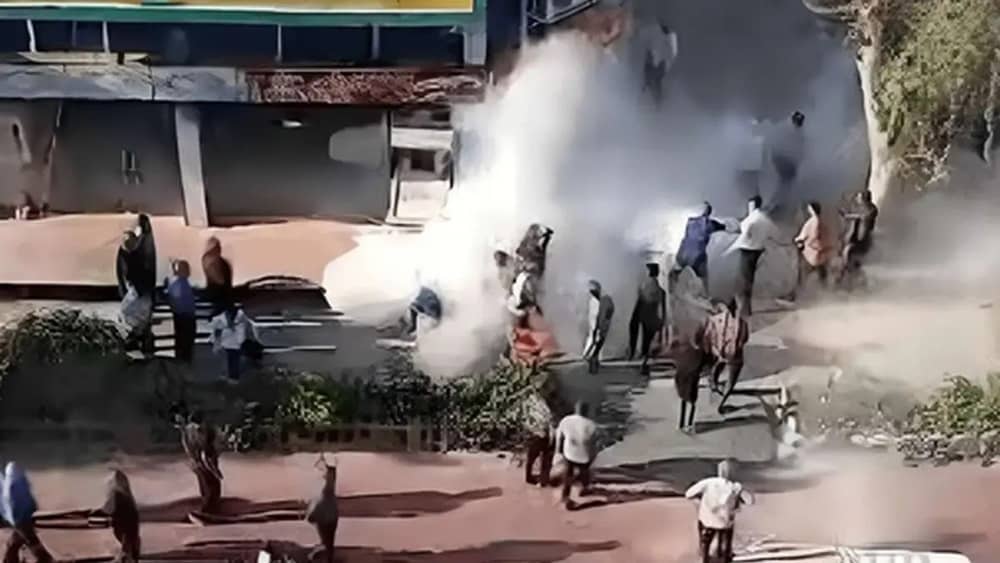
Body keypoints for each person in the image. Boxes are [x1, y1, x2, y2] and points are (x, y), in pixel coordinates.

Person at [685, 460, 754, 563]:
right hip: (725, 523)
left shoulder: (708, 482)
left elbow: (689, 494)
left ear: (719, 471)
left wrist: (699, 502)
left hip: (707, 520)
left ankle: (704, 552)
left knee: (704, 528)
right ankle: (726, 553)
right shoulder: (734, 487)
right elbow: (750, 501)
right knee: (727, 531)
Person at [697, 298, 750, 414]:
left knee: (718, 370)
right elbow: (745, 338)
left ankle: (714, 388)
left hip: (722, 352)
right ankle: (720, 402)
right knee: (730, 380)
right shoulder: (741, 322)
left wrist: (715, 347)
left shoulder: (717, 320)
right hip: (733, 354)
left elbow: (709, 335)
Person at [2, 462, 54, 563]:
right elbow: (29, 502)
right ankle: (44, 558)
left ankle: (10, 559)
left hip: (19, 517)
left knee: (19, 539)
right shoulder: (17, 485)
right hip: (20, 517)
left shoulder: (11, 486)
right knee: (27, 539)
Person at [729, 196, 773, 315]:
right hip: (757, 251)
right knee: (748, 280)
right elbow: (769, 233)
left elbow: (745, 234)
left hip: (747, 250)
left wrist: (731, 248)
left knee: (742, 280)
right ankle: (743, 307)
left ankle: (742, 310)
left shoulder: (752, 219)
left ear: (753, 205)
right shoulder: (764, 219)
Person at [671, 202, 727, 290]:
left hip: (683, 252)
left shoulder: (690, 221)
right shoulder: (709, 224)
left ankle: (671, 290)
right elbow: (724, 227)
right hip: (698, 255)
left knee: (675, 272)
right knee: (703, 277)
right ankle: (706, 295)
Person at [177, 412, 223, 515]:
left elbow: (218, 443)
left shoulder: (211, 429)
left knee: (213, 479)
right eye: (196, 424)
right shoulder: (189, 430)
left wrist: (212, 457)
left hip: (210, 453)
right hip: (197, 456)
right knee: (203, 479)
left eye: (200, 423)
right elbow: (187, 444)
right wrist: (194, 457)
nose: (198, 426)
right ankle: (207, 503)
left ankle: (214, 504)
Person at [555, 401, 598, 510]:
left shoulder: (566, 420)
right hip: (584, 455)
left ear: (575, 409)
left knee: (568, 476)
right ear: (587, 411)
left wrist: (558, 451)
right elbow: (593, 444)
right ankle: (584, 489)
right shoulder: (591, 425)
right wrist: (593, 456)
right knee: (584, 472)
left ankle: (565, 497)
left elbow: (559, 437)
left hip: (569, 453)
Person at [522, 373, 560, 487]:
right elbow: (550, 419)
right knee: (543, 457)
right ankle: (541, 478)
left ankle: (534, 478)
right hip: (541, 433)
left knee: (533, 457)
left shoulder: (529, 401)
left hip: (537, 432)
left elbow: (526, 417)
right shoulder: (542, 403)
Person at [628, 263, 667, 375]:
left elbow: (639, 304)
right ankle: (643, 362)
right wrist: (663, 320)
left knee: (642, 337)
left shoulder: (644, 287)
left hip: (643, 315)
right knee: (647, 340)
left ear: (649, 272)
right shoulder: (660, 290)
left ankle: (635, 355)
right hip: (652, 317)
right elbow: (663, 308)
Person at [837, 189, 879, 290]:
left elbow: (863, 217)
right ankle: (854, 284)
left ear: (864, 199)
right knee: (852, 262)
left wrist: (849, 216)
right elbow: (858, 218)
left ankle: (850, 284)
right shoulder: (863, 210)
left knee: (850, 260)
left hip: (863, 239)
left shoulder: (871, 210)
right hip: (859, 239)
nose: (857, 199)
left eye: (859, 197)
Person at [210, 301, 258, 382]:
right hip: (227, 341)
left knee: (233, 359)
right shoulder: (221, 318)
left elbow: (248, 327)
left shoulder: (240, 315)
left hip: (235, 341)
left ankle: (231, 377)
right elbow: (217, 331)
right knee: (229, 359)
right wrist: (217, 343)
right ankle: (229, 376)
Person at [792, 201, 833, 295]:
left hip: (810, 253)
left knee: (802, 275)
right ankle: (826, 293)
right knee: (821, 274)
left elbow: (812, 235)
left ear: (812, 209)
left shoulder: (813, 221)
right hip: (820, 252)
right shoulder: (821, 221)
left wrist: (800, 240)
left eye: (809, 208)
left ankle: (796, 295)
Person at [101, 469, 140, 562]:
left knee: (126, 542)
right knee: (129, 540)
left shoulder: (116, 494)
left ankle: (126, 555)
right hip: (130, 528)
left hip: (124, 527)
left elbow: (107, 510)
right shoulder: (128, 497)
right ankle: (128, 555)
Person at [306, 454, 339, 563]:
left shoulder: (326, 489)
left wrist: (312, 513)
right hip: (330, 515)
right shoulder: (327, 488)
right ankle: (327, 557)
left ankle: (324, 557)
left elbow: (321, 499)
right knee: (328, 543)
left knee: (327, 542)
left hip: (327, 516)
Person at [673, 339, 708, 434]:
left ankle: (681, 423)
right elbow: (705, 364)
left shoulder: (681, 350)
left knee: (683, 400)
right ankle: (689, 424)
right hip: (691, 378)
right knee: (692, 401)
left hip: (681, 377)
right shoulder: (700, 353)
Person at [166, 260, 197, 364]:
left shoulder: (176, 283)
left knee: (182, 342)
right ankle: (184, 364)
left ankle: (182, 362)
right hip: (185, 317)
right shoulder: (179, 284)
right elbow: (177, 301)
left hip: (182, 316)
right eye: (186, 268)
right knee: (185, 342)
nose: (189, 271)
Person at [583, 280, 615, 374]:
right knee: (593, 345)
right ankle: (592, 361)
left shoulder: (605, 300)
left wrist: (603, 324)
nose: (592, 293)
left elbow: (608, 312)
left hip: (601, 327)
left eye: (593, 291)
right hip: (594, 326)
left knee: (597, 345)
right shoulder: (593, 300)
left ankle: (593, 362)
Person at [202, 236, 233, 315]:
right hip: (220, 294)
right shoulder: (213, 260)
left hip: (220, 294)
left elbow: (220, 280)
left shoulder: (216, 262)